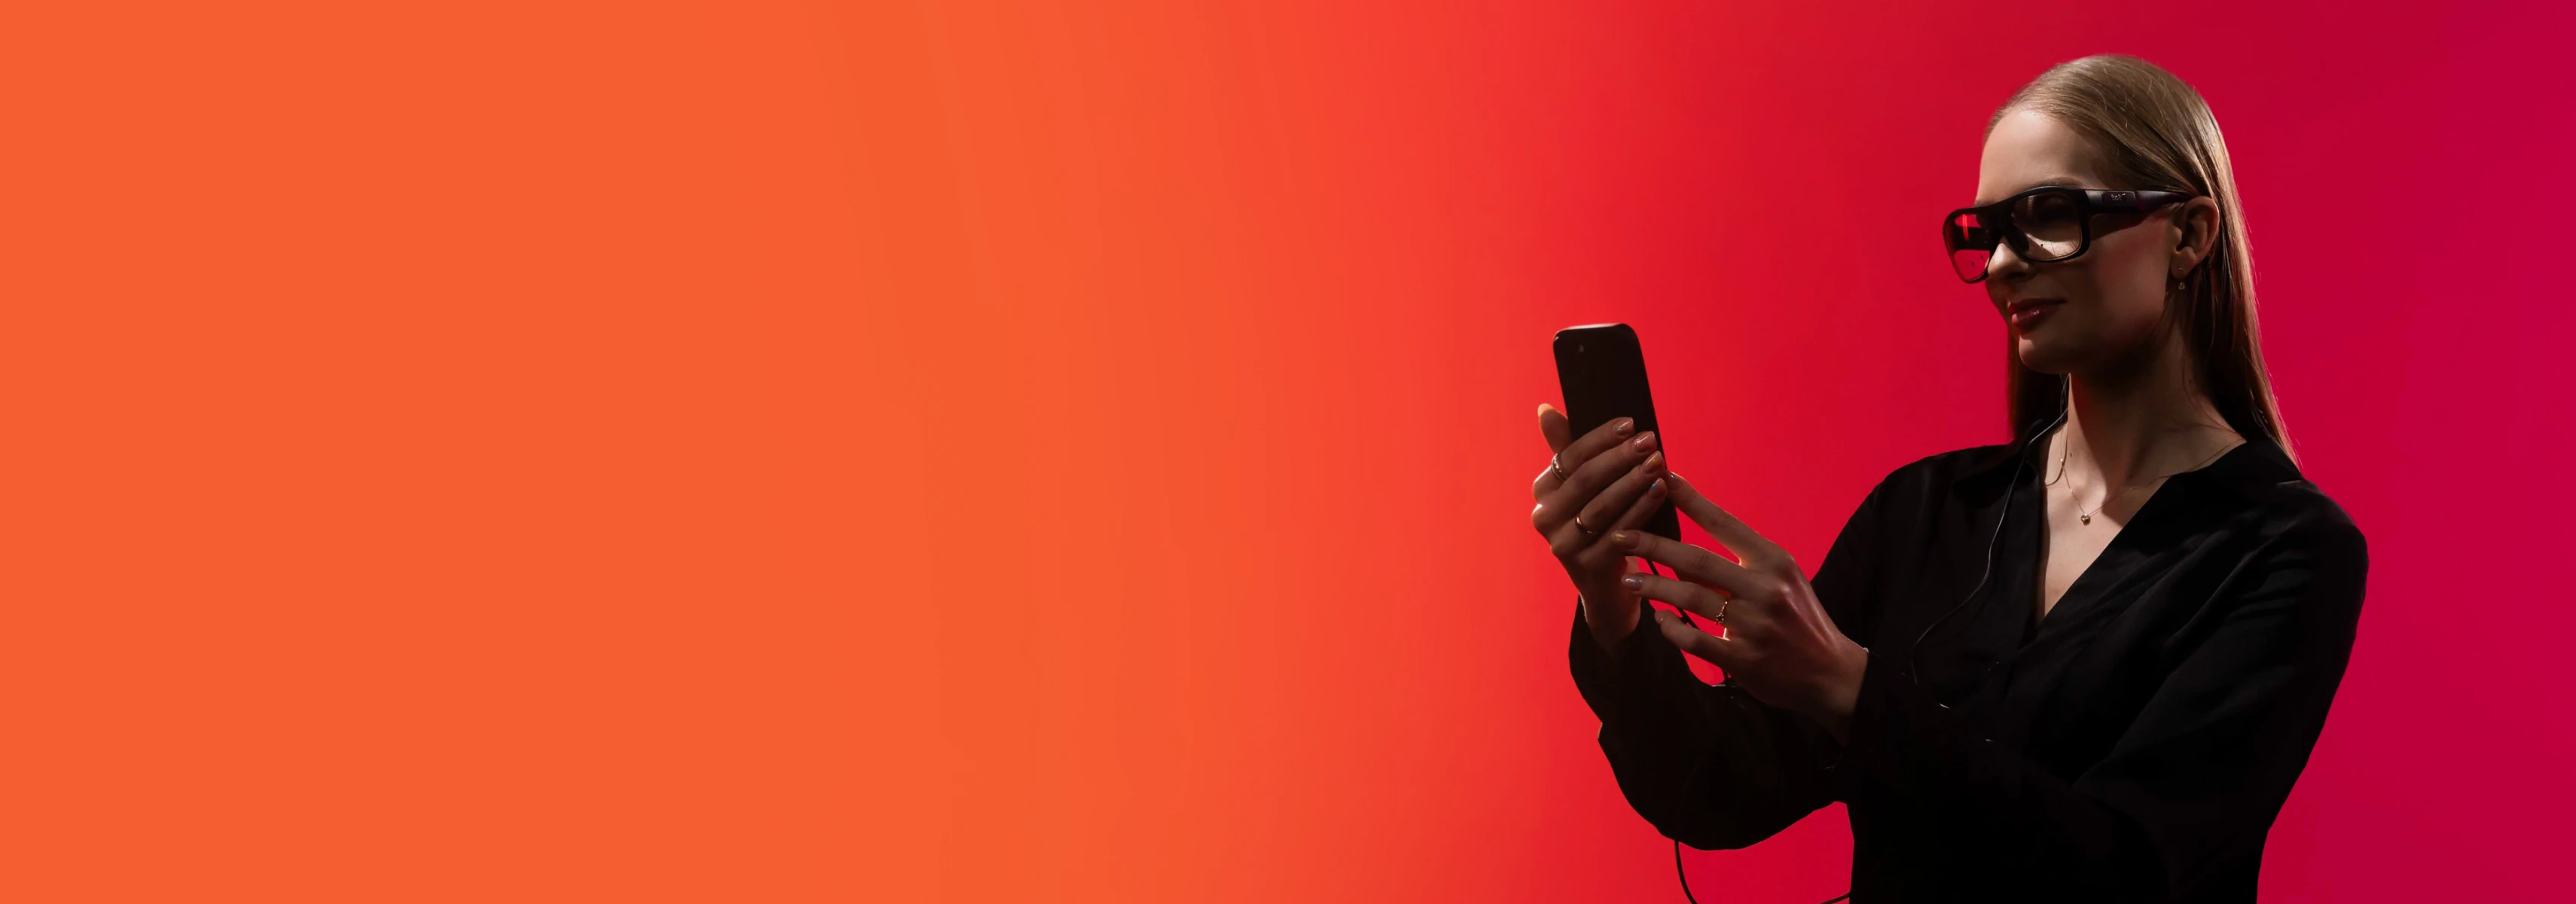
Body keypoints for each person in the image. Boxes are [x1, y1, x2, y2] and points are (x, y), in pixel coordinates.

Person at [1530, 54, 2369, 902]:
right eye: (1987, 230)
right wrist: (1613, 607)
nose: (2004, 262)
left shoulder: (2286, 551)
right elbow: (1720, 791)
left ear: (2187, 234)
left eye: (2050, 215)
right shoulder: (1926, 512)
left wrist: (1849, 688)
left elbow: (2128, 873)